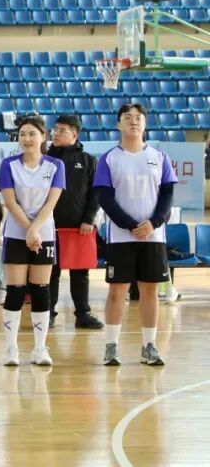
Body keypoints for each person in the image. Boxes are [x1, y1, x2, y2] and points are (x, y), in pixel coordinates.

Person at [94, 103, 175, 367]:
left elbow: (167, 195)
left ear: (145, 123)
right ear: (118, 124)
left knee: (149, 290)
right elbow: (104, 197)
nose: (133, 121)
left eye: (138, 117)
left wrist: (154, 223)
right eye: (127, 117)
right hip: (121, 237)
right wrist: (130, 225)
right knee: (117, 291)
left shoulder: (159, 157)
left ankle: (149, 346)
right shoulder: (109, 159)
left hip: (153, 236)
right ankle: (111, 347)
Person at [0, 116, 66, 367]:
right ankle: (11, 349)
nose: (26, 139)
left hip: (43, 235)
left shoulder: (56, 165)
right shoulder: (8, 165)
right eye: (22, 134)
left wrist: (36, 230)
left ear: (43, 137)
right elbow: (10, 202)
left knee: (40, 290)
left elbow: (52, 202)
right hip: (17, 234)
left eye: (32, 134)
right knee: (15, 291)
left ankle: (39, 348)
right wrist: (29, 230)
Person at [47, 115, 105, 329]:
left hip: (80, 227)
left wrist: (88, 219)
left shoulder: (88, 160)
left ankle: (83, 313)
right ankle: (48, 313)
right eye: (55, 129)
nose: (56, 133)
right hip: (49, 226)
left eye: (62, 130)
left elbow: (96, 193)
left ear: (75, 134)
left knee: (80, 272)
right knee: (50, 272)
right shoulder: (44, 158)